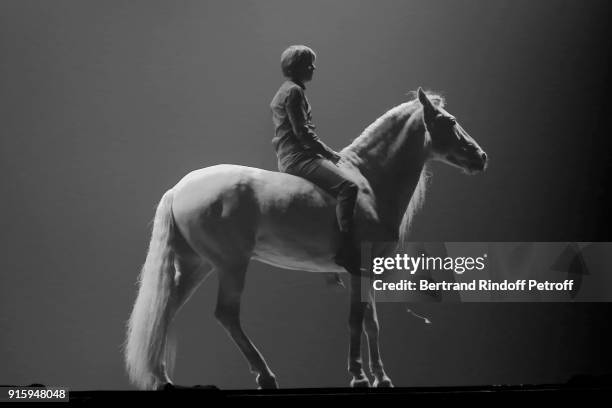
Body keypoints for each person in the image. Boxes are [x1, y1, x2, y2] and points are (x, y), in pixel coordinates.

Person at [270, 45, 360, 273]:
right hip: (299, 158)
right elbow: (303, 133)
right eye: (309, 63)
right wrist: (329, 153)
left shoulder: (286, 90)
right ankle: (347, 251)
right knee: (348, 187)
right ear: (298, 67)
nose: (314, 67)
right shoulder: (294, 92)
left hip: (289, 155)